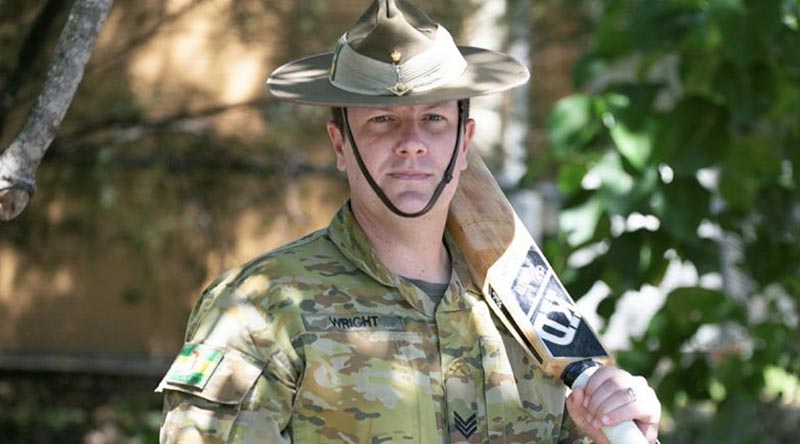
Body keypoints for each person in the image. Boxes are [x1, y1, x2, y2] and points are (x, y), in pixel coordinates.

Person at [156, 1, 662, 443]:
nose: (412, 142)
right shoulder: (260, 311)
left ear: (464, 142)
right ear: (339, 144)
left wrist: (613, 432)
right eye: (382, 119)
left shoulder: (530, 314)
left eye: (434, 119)